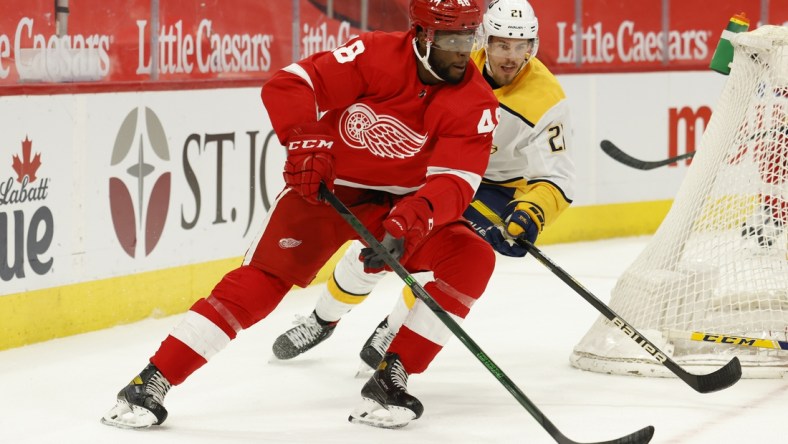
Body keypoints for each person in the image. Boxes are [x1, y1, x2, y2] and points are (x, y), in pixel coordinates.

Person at [100, 0, 500, 431]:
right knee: (261, 283)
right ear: (422, 36)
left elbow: (456, 181)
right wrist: (306, 140)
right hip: (329, 191)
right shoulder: (374, 55)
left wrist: (411, 220)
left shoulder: (475, 100)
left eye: (471, 37)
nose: (465, 51)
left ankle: (390, 377)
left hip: (403, 205)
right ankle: (152, 380)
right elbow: (291, 84)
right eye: (453, 39)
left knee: (472, 258)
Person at [272, 0, 576, 376]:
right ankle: (323, 320)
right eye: (501, 45)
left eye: (522, 46)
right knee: (379, 244)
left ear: (533, 45)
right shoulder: (454, 63)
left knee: (447, 264)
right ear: (485, 40)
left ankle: (393, 328)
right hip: (437, 172)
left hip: (495, 189)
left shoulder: (547, 99)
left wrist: (533, 211)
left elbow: (557, 177)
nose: (511, 57)